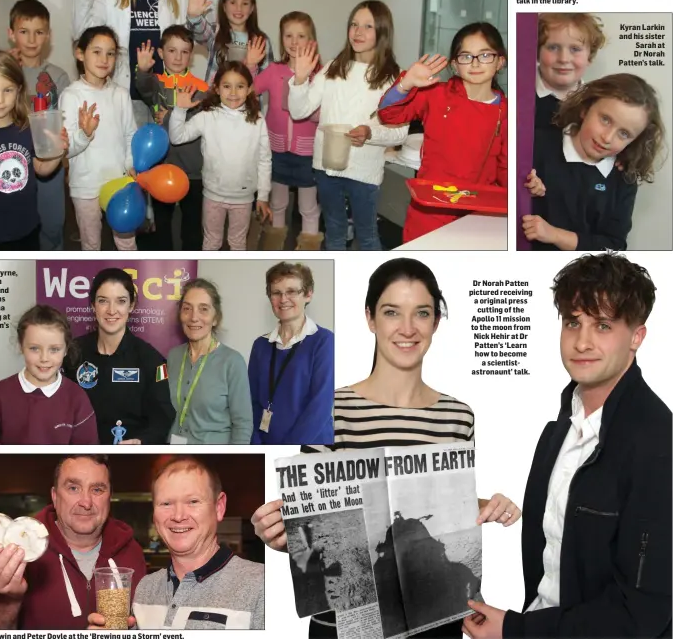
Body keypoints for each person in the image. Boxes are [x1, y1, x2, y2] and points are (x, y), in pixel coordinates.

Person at [252, 258, 522, 638]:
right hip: (347, 625)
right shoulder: (331, 408)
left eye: (422, 313)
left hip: (433, 621)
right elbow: (313, 538)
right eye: (392, 312)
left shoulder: (458, 416)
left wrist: (486, 506)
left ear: (435, 323)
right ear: (370, 318)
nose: (408, 329)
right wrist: (281, 536)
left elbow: (443, 510)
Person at [463, 252, 672, 639]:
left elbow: (642, 614)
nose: (582, 341)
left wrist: (516, 630)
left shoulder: (659, 444)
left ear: (637, 337)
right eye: (573, 322)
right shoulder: (559, 430)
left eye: (604, 325)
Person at [0, 455, 147, 630]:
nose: (86, 502)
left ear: (109, 497)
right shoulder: (19, 549)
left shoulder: (131, 551)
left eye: (97, 490)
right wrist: (6, 599)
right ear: (54, 496)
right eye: (73, 488)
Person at [288, 1, 408, 250]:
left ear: (383, 31)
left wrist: (369, 133)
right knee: (333, 230)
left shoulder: (394, 79)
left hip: (364, 172)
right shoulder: (333, 68)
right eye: (354, 24)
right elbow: (299, 111)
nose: (358, 31)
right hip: (326, 169)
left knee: (366, 235)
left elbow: (400, 131)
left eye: (367, 26)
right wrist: (299, 79)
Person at [90, 458, 264, 630]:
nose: (178, 516)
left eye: (193, 502)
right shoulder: (146, 587)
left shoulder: (261, 585)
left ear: (218, 507)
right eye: (166, 503)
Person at [378, 22, 507, 243]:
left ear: (500, 62)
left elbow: (506, 170)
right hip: (429, 211)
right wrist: (406, 83)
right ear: (455, 65)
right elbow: (388, 114)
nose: (475, 63)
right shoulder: (436, 95)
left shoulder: (506, 112)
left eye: (485, 55)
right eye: (466, 56)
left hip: (477, 215)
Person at [73, 0, 203, 125]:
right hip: (125, 90)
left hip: (164, 96)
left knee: (164, 152)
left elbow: (185, 45)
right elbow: (83, 37)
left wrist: (195, 15)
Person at [523, 73, 665, 250]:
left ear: (634, 141)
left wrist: (554, 235)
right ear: (585, 109)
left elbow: (614, 246)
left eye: (624, 134)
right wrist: (524, 186)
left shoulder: (623, 178)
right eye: (605, 120)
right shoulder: (534, 143)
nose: (607, 137)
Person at [0, 50, 68, 250]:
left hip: (28, 230)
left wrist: (58, 151)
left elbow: (41, 169)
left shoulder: (27, 127)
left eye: (8, 90)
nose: (0, 100)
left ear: (19, 90)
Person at [63, 267, 175, 444]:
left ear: (131, 305)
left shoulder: (151, 360)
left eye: (120, 301)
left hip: (129, 459)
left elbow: (162, 419)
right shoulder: (73, 353)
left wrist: (141, 441)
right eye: (103, 301)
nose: (111, 310)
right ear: (93, 305)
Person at [168, 61, 272, 250]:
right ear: (216, 89)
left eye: (240, 86)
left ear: (249, 89)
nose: (233, 93)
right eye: (226, 86)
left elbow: (264, 160)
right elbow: (177, 137)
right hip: (213, 196)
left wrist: (263, 196)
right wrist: (180, 109)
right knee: (211, 242)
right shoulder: (208, 116)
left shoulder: (257, 120)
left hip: (244, 197)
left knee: (238, 243)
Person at [0, 305, 97, 445]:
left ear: (66, 349)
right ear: (20, 346)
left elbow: (87, 453)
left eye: (54, 349)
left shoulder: (77, 398)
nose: (44, 358)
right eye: (34, 348)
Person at [59, 26, 137, 251]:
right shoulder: (71, 95)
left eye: (110, 53)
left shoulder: (121, 94)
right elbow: (66, 149)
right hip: (85, 184)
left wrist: (131, 163)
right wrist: (85, 134)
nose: (104, 59)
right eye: (96, 52)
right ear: (80, 54)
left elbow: (130, 133)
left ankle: (132, 282)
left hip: (119, 182)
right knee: (91, 244)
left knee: (127, 242)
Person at [253, 11, 322, 251]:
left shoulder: (320, 75)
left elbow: (327, 112)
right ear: (281, 39)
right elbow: (248, 90)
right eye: (288, 35)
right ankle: (274, 249)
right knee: (278, 203)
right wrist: (250, 64)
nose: (294, 41)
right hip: (277, 150)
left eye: (301, 36)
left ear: (311, 40)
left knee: (308, 207)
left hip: (308, 154)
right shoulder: (273, 70)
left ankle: (310, 252)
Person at [135, 25, 209, 251]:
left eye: (184, 52)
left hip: (192, 168)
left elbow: (198, 122)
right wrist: (143, 70)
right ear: (160, 53)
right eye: (172, 50)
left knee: (193, 225)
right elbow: (143, 86)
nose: (178, 57)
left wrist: (169, 117)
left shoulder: (201, 88)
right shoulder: (156, 82)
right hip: (162, 167)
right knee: (163, 223)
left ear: (191, 54)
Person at [7, 0, 70, 251]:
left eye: (39, 32)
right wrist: (7, 70)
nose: (31, 40)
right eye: (24, 32)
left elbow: (66, 122)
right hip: (13, 162)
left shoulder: (58, 76)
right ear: (11, 34)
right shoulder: (4, 71)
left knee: (52, 226)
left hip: (50, 164)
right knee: (15, 228)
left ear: (48, 36)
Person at [248, 262, 334, 445]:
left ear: (308, 294)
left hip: (310, 451)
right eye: (276, 293)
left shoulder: (324, 341)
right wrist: (257, 445)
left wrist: (288, 452)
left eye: (292, 291)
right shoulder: (260, 345)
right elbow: (251, 403)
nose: (283, 299)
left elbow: (320, 407)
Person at [167, 278, 252, 444]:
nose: (194, 317)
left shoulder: (232, 362)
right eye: (187, 309)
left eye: (203, 309)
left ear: (215, 318)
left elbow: (243, 425)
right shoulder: (173, 356)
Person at [187, 0, 273, 83]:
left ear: (252, 8)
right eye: (233, 2)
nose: (239, 8)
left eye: (245, 4)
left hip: (249, 98)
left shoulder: (261, 41)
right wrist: (194, 16)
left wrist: (251, 65)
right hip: (215, 99)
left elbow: (267, 81)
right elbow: (199, 32)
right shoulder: (215, 33)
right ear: (224, 6)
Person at [535, 14, 605, 129]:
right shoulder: (517, 96)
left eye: (575, 49)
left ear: (589, 56)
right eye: (553, 47)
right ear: (537, 53)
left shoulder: (596, 104)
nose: (563, 59)